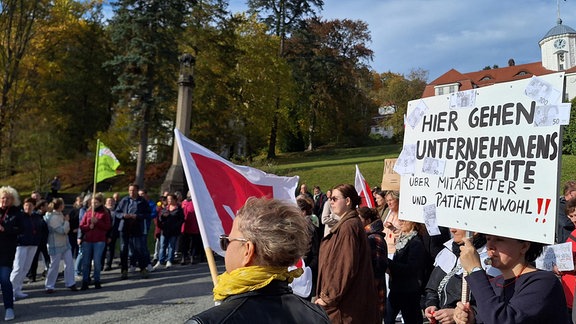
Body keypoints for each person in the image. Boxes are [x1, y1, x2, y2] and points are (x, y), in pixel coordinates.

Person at [186, 197, 330, 323]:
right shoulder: (317, 315)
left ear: (248, 251)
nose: (225, 248)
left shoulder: (205, 322)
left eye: (227, 241)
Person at [453, 235, 571, 324]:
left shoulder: (544, 282)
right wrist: (473, 319)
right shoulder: (495, 283)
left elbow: (502, 319)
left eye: (499, 239)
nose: (490, 246)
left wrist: (475, 270)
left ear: (524, 246)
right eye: (488, 239)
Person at [315, 184, 379, 323]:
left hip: (345, 308)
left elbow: (344, 266)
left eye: (335, 198)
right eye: (330, 198)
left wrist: (328, 298)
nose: (331, 202)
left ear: (348, 201)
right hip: (347, 304)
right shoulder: (349, 224)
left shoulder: (348, 227)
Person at [423, 230, 496, 324]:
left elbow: (491, 303)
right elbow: (432, 289)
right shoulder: (447, 252)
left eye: (458, 226)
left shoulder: (490, 260)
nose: (452, 230)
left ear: (475, 231)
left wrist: (460, 314)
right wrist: (432, 305)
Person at [385, 220, 427, 324]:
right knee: (387, 318)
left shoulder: (416, 242)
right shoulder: (403, 239)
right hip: (397, 287)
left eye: (404, 220)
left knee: (411, 320)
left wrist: (389, 263)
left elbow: (412, 268)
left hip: (409, 291)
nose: (400, 222)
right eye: (400, 220)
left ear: (413, 223)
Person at [358, 206, 388, 322]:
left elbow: (378, 268)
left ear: (368, 220)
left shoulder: (374, 238)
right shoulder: (365, 236)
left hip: (373, 291)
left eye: (359, 218)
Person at [116, 183, 150, 279]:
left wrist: (138, 216)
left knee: (139, 248)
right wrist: (123, 215)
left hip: (136, 226)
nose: (131, 192)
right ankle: (124, 270)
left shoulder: (142, 201)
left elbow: (147, 214)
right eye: (130, 190)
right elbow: (117, 212)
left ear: (137, 191)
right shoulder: (125, 200)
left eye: (133, 190)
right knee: (124, 249)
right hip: (124, 227)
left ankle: (143, 268)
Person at [10, 197, 42, 300]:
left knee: (26, 268)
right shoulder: (19, 216)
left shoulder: (37, 216)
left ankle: (18, 289)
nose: (28, 207)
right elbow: (14, 228)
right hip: (21, 244)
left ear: (34, 206)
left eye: (30, 205)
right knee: (18, 268)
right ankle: (10, 291)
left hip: (33, 244)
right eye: (26, 205)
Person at [44, 198, 78, 293]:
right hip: (55, 243)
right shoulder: (52, 217)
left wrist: (66, 223)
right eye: (62, 204)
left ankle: (70, 282)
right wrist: (67, 222)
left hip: (65, 243)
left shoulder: (60, 214)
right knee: (54, 265)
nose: (64, 206)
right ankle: (49, 285)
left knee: (69, 263)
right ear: (59, 206)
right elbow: (62, 231)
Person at [0, 186, 24, 321]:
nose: (4, 200)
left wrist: (5, 229)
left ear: (12, 200)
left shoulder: (17, 213)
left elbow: (21, 229)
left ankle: (9, 308)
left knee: (4, 279)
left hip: (6, 252)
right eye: (2, 198)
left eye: (7, 198)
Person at [79, 193, 111, 290]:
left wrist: (98, 222)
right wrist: (89, 226)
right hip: (88, 240)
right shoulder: (88, 213)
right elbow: (81, 225)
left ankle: (97, 279)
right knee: (86, 262)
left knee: (97, 261)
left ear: (101, 203)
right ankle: (85, 281)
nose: (94, 205)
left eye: (96, 203)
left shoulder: (105, 213)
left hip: (99, 240)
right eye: (92, 203)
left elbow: (108, 226)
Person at [296, 195, 322, 300]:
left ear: (303, 212)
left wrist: (306, 269)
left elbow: (315, 253)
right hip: (300, 272)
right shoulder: (298, 227)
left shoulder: (310, 228)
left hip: (305, 273)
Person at [154, 193, 184, 270]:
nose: (169, 201)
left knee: (171, 246)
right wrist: (163, 216)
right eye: (168, 199)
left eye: (171, 199)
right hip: (164, 230)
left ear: (175, 200)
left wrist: (175, 226)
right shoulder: (165, 209)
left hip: (173, 230)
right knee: (162, 246)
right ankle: (161, 261)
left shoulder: (179, 209)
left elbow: (181, 220)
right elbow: (160, 219)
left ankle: (169, 260)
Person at [28, 199, 49, 283]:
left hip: (43, 240)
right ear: (41, 207)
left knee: (47, 258)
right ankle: (32, 276)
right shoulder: (36, 215)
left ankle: (48, 273)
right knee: (34, 259)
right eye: (46, 205)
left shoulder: (46, 215)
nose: (47, 207)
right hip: (37, 240)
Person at [382, 190, 401, 255]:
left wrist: (393, 228)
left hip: (396, 250)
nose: (389, 203)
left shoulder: (403, 215)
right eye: (387, 201)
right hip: (385, 249)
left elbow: (407, 234)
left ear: (398, 200)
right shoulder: (388, 213)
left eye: (391, 200)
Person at [104, 197, 119, 271]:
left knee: (111, 249)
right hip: (103, 233)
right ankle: (101, 263)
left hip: (113, 233)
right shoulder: (103, 211)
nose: (110, 203)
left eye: (112, 201)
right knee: (103, 249)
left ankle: (108, 264)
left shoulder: (116, 211)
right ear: (105, 203)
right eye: (108, 201)